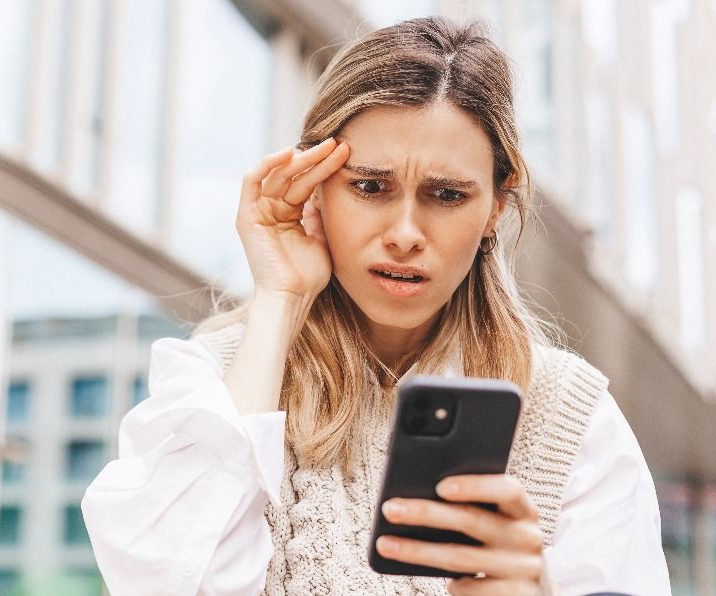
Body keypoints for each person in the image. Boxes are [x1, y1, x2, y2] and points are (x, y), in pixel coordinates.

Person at [81, 16, 671, 596]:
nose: (406, 233)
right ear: (312, 185)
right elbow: (170, 583)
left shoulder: (570, 417)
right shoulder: (219, 384)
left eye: (446, 195)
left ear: (495, 204)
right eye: (370, 187)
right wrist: (280, 297)